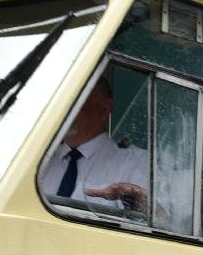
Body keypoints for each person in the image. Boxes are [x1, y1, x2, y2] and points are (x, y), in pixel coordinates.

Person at [40, 73, 153, 217]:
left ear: (105, 108)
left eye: (73, 102)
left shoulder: (135, 162)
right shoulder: (38, 162)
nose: (62, 111)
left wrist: (138, 202)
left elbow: (159, 220)